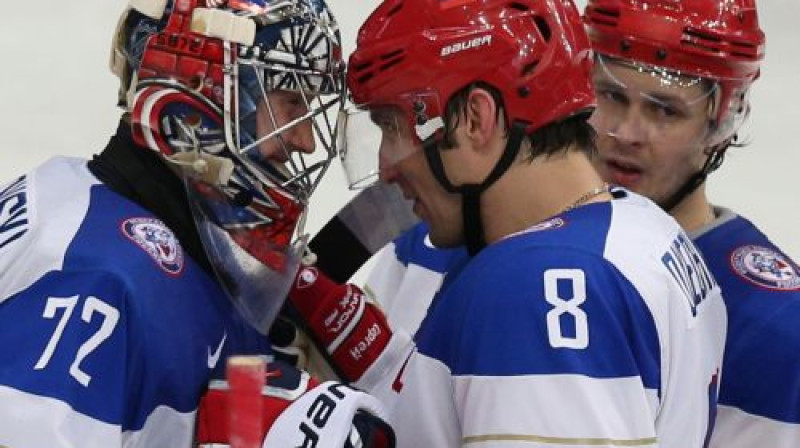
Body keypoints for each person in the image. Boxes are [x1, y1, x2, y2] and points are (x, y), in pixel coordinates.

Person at [279, 0, 727, 446]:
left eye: (393, 126)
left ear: (476, 118)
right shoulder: (646, 227)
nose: (385, 167)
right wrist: (369, 358)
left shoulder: (533, 283)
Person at [0, 0, 394, 446]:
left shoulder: (193, 245)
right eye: (289, 101)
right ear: (204, 90)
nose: (304, 140)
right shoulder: (96, 278)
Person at [583, 1, 800, 446]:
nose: (627, 132)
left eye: (665, 110)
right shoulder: (506, 246)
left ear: (723, 122)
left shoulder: (776, 327)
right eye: (611, 95)